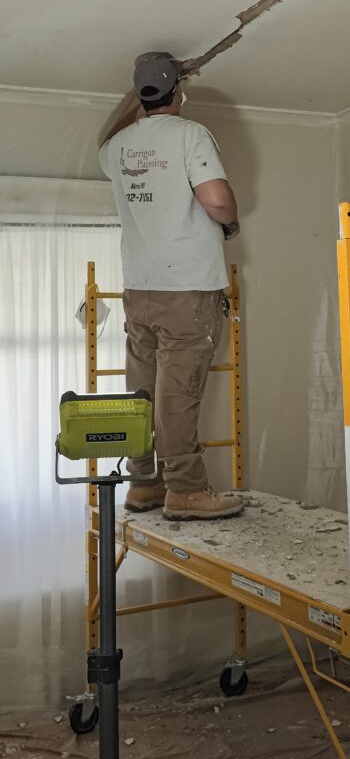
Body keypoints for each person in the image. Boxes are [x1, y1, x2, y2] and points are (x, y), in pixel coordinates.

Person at [98, 51, 244, 520]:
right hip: (187, 289)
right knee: (179, 391)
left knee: (142, 387)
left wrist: (135, 98)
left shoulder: (117, 147)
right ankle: (185, 490)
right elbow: (217, 198)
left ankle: (144, 484)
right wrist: (232, 222)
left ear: (141, 96)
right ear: (178, 91)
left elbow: (106, 139)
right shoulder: (190, 134)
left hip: (139, 288)